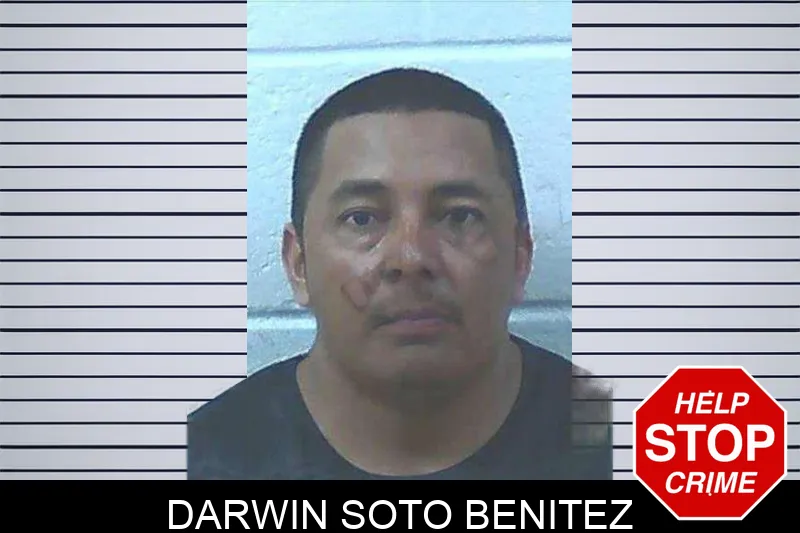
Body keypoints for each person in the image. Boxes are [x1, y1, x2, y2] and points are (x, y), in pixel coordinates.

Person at [187, 67, 612, 480]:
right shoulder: (200, 459)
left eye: (460, 216)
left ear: (520, 256)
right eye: (361, 219)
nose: (410, 258)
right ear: (298, 263)